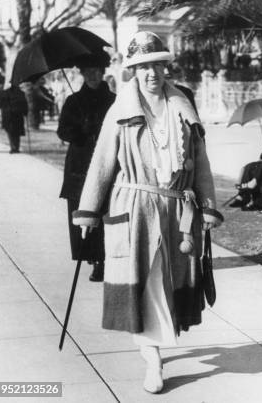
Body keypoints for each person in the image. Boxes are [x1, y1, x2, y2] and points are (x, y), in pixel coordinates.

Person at [73, 31, 223, 394]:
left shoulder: (183, 105)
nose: (151, 73)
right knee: (147, 281)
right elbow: (102, 161)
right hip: (136, 208)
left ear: (166, 67)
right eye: (143, 67)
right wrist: (88, 210)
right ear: (132, 72)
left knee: (170, 281)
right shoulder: (120, 111)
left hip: (176, 209)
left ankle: (153, 346)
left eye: (157, 65)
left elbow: (200, 161)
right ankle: (153, 360)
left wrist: (208, 206)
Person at [57, 52, 115, 281]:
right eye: (88, 72)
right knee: (83, 212)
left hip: (108, 163)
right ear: (82, 74)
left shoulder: (114, 100)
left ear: (103, 73)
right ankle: (92, 258)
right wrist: (81, 128)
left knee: (104, 211)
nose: (92, 75)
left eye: (96, 71)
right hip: (80, 165)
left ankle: (104, 259)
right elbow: (63, 131)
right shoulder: (73, 101)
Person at [0, 84, 28, 153]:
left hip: (8, 115)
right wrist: (25, 113)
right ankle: (16, 147)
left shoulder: (5, 92)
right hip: (17, 115)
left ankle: (13, 147)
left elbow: (1, 104)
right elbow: (24, 104)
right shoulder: (21, 93)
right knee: (16, 132)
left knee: (10, 131)